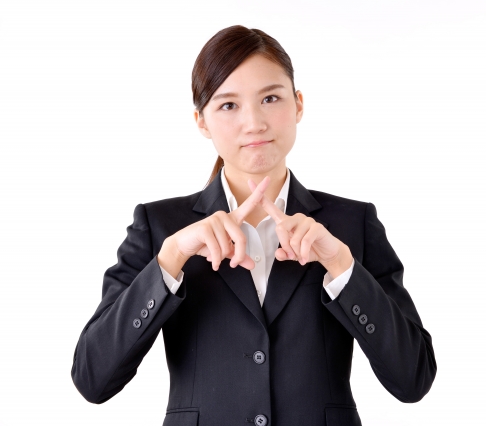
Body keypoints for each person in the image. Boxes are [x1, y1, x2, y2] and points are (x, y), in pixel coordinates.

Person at [71, 25, 437, 426]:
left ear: (298, 105)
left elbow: (413, 379)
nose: (254, 122)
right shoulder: (160, 227)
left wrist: (343, 268)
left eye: (270, 98)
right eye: (229, 105)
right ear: (201, 121)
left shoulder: (351, 223)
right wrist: (170, 259)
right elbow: (92, 379)